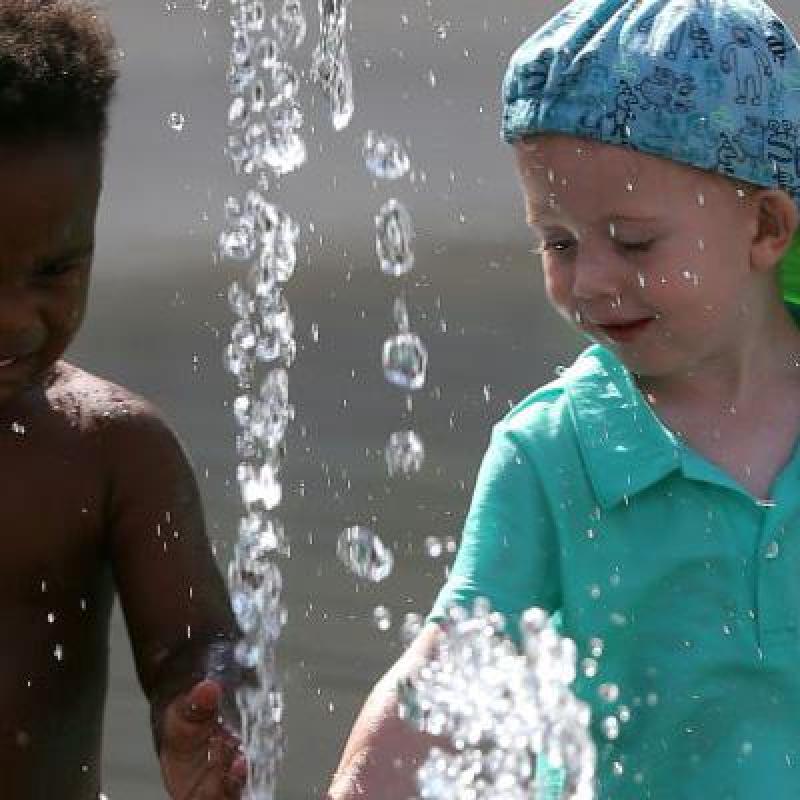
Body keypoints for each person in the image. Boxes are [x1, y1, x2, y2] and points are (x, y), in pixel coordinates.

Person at [327, 0, 800, 798]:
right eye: (558, 242)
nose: (591, 282)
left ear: (765, 226)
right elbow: (440, 689)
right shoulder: (555, 454)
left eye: (634, 241)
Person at [0, 2, 244, 798]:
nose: (16, 317)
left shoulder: (110, 451)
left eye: (56, 270)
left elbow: (196, 642)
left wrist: (201, 711)